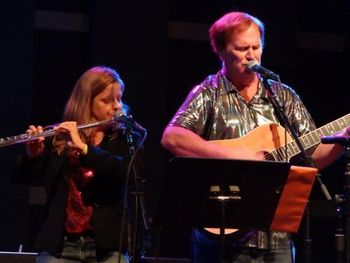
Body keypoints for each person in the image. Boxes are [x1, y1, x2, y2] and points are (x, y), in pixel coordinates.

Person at [161, 11, 350, 263]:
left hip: (275, 235)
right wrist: (233, 156)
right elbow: (172, 137)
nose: (251, 56)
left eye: (256, 47)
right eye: (242, 48)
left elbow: (312, 157)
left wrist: (341, 141)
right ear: (221, 50)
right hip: (220, 234)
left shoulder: (282, 96)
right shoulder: (208, 93)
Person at [16, 66, 144, 263]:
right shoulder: (58, 138)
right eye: (107, 100)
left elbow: (126, 171)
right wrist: (32, 156)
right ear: (87, 101)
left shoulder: (126, 137)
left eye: (119, 98)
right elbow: (20, 178)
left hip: (107, 250)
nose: (117, 106)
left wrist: (85, 149)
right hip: (59, 249)